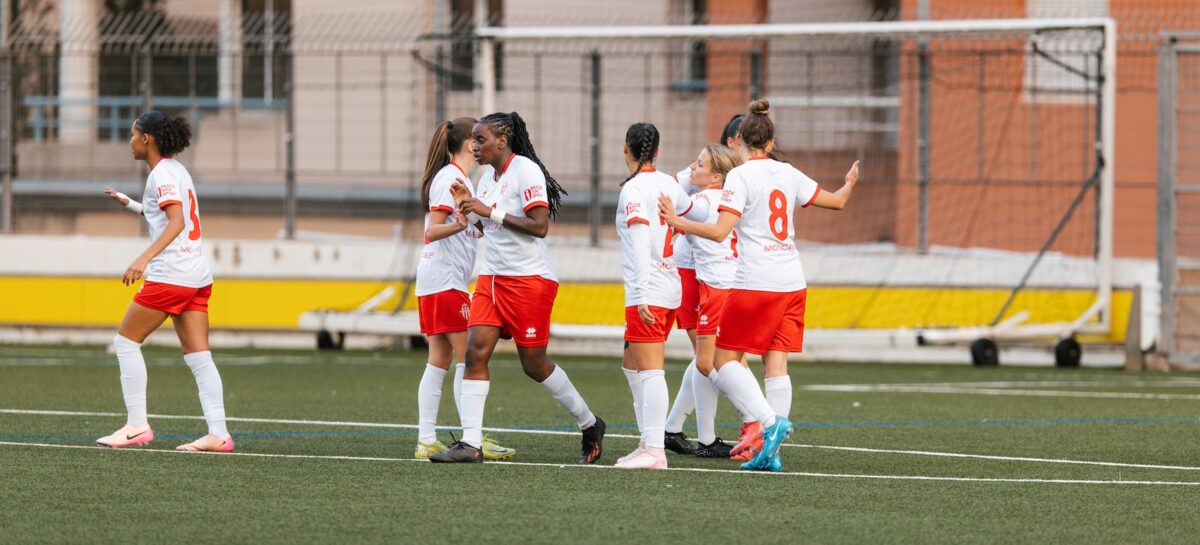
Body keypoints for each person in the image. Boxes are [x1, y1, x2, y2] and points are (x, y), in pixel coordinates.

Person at [660, 99, 860, 471]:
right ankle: (773, 451)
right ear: (770, 143)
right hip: (793, 281)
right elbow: (836, 202)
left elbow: (720, 231)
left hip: (755, 281)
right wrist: (849, 181)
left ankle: (769, 424)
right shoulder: (788, 172)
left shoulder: (740, 177)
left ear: (740, 143)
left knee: (721, 360)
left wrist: (679, 221)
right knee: (776, 364)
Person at [431, 112, 606, 464]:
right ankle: (471, 444)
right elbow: (487, 228)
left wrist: (487, 211)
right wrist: (471, 209)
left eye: (481, 140)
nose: (475, 147)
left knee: (534, 364)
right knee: (475, 354)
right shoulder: (484, 179)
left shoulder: (525, 170)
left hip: (530, 281)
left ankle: (590, 423)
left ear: (502, 138)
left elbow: (539, 226)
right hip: (492, 280)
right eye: (473, 141)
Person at [97, 111, 233, 453]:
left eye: (132, 135)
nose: (129, 140)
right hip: (197, 275)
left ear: (147, 139)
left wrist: (143, 258)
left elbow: (176, 221)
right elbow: (162, 213)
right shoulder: (174, 171)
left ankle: (136, 426)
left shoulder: (162, 175)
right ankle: (218, 434)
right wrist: (129, 203)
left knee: (126, 342)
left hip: (172, 274)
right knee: (200, 357)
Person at [413, 117, 515, 461]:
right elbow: (432, 231)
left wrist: (475, 219)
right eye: (479, 138)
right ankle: (473, 438)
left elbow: (474, 228)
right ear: (471, 144)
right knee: (469, 358)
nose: (482, 143)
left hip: (436, 280)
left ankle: (427, 439)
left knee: (438, 360)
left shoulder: (459, 181)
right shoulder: (451, 177)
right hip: (445, 281)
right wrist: (459, 224)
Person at [613, 123, 708, 469]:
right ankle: (647, 440)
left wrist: (639, 293)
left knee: (651, 371)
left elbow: (640, 238)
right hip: (669, 286)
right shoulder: (668, 183)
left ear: (626, 148)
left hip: (649, 289)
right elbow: (701, 213)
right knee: (632, 364)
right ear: (657, 151)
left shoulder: (634, 189)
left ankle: (654, 450)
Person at [679, 144, 743, 458]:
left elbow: (683, 209)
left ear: (716, 175)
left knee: (707, 363)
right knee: (732, 363)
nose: (693, 166)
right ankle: (698, 434)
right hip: (729, 285)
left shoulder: (702, 201)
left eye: (700, 163)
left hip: (718, 288)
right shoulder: (730, 200)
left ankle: (759, 419)